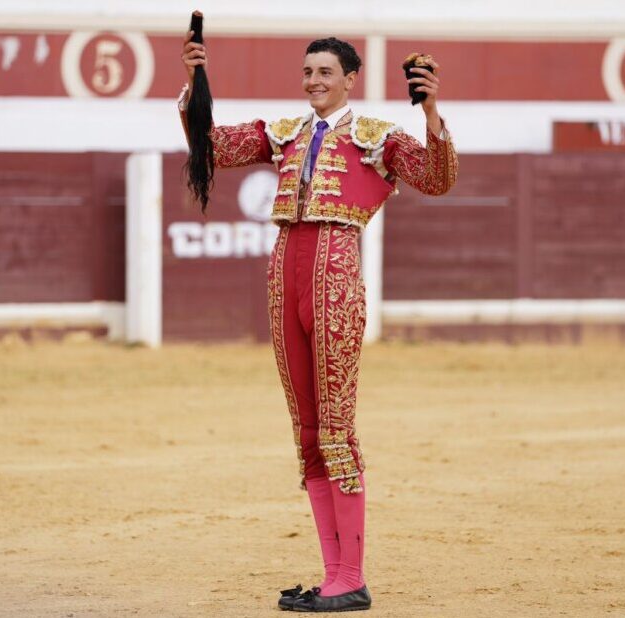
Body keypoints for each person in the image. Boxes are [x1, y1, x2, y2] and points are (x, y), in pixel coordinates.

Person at [178, 33, 457, 613]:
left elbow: (437, 177)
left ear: (350, 77)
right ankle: (333, 574)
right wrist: (195, 83)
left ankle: (351, 575)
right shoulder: (286, 133)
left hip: (334, 283)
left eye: (325, 71)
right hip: (285, 278)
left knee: (335, 429)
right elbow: (213, 146)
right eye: (307, 72)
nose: (313, 81)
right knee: (307, 434)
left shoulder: (375, 137)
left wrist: (430, 111)